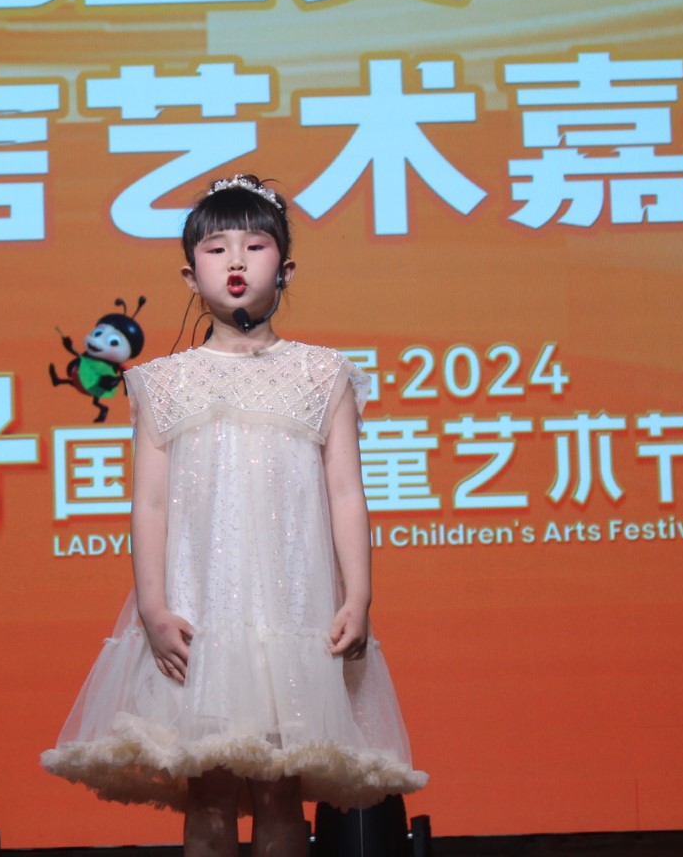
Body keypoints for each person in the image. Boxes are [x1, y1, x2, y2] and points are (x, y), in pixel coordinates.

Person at [41, 174, 425, 856]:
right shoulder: (161, 382)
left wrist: (359, 596)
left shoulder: (323, 374)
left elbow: (345, 492)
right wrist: (153, 608)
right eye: (217, 249)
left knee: (279, 789)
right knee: (210, 791)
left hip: (294, 610)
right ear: (191, 277)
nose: (237, 261)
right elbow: (149, 503)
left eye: (255, 245)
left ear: (287, 269)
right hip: (199, 614)